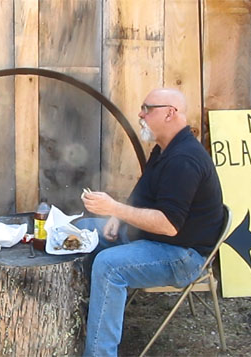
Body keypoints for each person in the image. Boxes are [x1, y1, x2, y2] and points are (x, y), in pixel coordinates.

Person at [77, 88, 224, 356]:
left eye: (147, 108)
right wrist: (117, 216)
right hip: (156, 239)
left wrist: (117, 208)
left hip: (183, 255)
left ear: (170, 113)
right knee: (84, 231)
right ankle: (83, 317)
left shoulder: (184, 160)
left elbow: (168, 224)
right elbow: (144, 192)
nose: (140, 113)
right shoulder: (165, 148)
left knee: (108, 266)